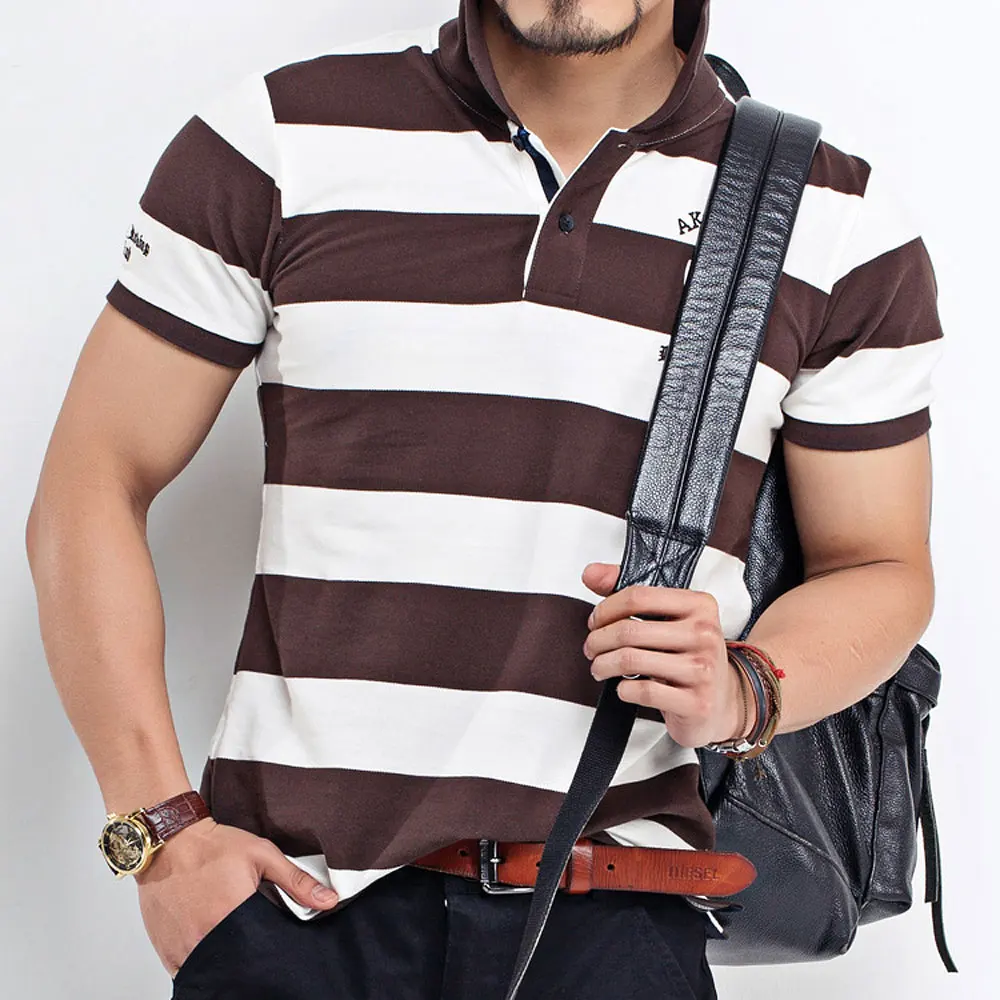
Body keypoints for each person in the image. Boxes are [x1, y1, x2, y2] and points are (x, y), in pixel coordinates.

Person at [24, 1, 943, 998]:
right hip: (297, 915)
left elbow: (879, 565)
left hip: (615, 917)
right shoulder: (277, 140)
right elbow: (93, 478)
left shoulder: (836, 220)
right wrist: (158, 833)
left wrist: (743, 688)